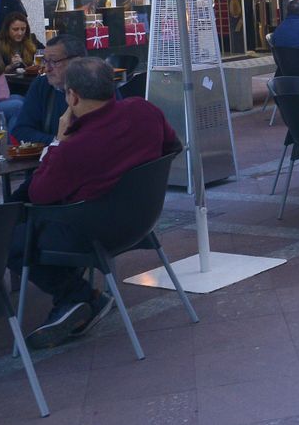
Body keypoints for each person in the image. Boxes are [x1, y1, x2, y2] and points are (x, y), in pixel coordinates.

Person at [15, 58, 180, 349]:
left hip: (91, 233)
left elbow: (39, 195)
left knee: (9, 237)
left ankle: (78, 295)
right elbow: (172, 146)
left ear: (73, 96)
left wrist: (58, 141)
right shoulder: (145, 111)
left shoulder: (74, 147)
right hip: (143, 221)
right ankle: (76, 296)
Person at [11, 35, 86, 145]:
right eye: (45, 61)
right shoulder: (41, 85)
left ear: (77, 61)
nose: (47, 68)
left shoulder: (97, 86)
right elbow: (21, 131)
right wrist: (56, 141)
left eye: (54, 61)